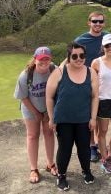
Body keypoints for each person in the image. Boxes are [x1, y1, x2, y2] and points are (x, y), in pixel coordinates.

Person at [46, 42, 99, 191]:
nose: (78, 59)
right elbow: (49, 97)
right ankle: (61, 175)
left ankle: (86, 171)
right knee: (65, 148)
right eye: (74, 56)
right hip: (64, 119)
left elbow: (95, 97)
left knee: (84, 148)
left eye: (82, 55)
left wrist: (93, 118)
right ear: (69, 57)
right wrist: (52, 118)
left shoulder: (91, 72)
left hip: (83, 118)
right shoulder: (60, 72)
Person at [14, 46, 57, 184]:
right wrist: (36, 113)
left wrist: (49, 112)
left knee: (49, 133)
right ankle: (33, 168)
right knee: (33, 136)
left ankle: (50, 163)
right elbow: (23, 97)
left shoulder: (53, 69)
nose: (44, 64)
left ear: (50, 59)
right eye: (40, 61)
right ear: (35, 59)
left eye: (47, 60)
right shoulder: (26, 75)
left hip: (48, 108)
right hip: (30, 106)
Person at [73, 11, 108, 162]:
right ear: (89, 22)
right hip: (86, 82)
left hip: (104, 83)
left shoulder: (107, 38)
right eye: (95, 21)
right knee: (89, 117)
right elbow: (72, 59)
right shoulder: (81, 40)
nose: (98, 24)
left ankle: (100, 143)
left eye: (100, 21)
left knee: (100, 116)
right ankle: (91, 145)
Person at [91, 34, 111, 174]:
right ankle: (104, 159)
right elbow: (92, 84)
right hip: (103, 101)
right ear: (103, 47)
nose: (110, 48)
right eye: (107, 46)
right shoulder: (96, 62)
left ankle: (110, 155)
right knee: (103, 132)